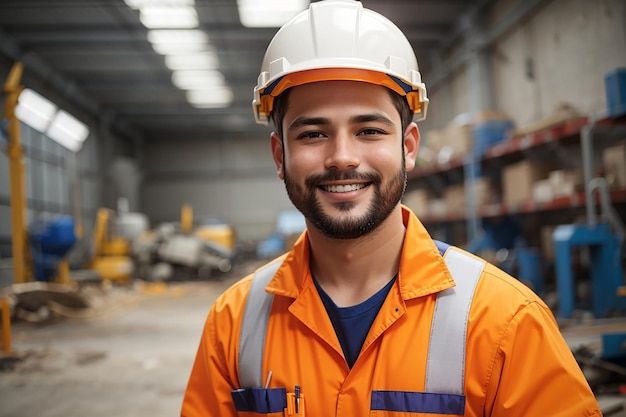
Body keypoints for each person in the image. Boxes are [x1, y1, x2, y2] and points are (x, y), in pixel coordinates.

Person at [181, 1, 602, 416]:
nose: (342, 157)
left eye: (368, 130)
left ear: (408, 146)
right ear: (279, 155)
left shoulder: (505, 321)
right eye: (312, 134)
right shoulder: (234, 324)